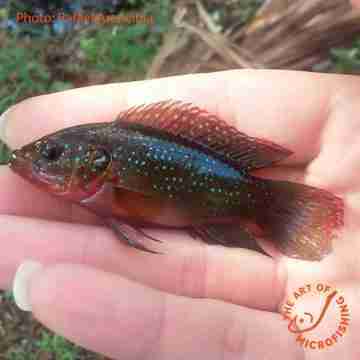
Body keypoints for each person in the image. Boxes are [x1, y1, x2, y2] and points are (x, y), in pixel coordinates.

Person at [1, 6, 360, 358]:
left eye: (50, 155)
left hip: (231, 189)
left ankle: (286, 213)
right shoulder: (102, 169)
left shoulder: (109, 170)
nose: (36, 160)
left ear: (97, 162)